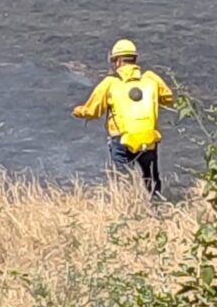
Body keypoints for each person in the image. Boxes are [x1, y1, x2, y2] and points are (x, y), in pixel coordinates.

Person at [72, 39, 173, 197]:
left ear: (117, 61)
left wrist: (78, 111)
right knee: (151, 179)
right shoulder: (151, 79)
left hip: (122, 140)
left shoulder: (110, 83)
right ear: (135, 59)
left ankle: (127, 208)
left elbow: (93, 111)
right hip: (149, 139)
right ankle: (158, 206)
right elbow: (168, 98)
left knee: (122, 181)